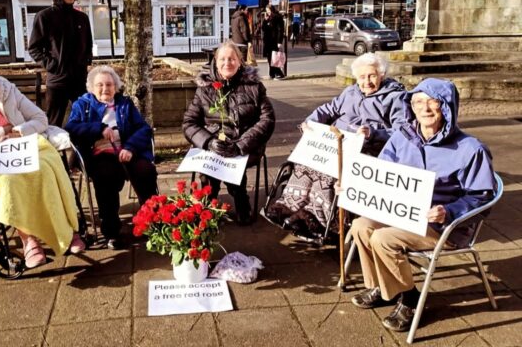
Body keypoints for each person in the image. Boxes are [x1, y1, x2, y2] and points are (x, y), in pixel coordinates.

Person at [348, 78, 496, 332]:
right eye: (418, 102)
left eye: (433, 102)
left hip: (443, 226)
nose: (425, 109)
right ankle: (385, 289)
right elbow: (381, 175)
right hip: (402, 213)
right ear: (411, 106)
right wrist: (354, 187)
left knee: (383, 238)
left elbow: (482, 197)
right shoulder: (400, 139)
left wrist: (447, 212)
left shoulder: (471, 149)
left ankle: (412, 299)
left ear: (447, 106)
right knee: (361, 225)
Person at [0, 56, 85, 269]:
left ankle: (67, 232)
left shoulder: (7, 90)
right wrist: (1, 131)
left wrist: (19, 131)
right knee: (10, 183)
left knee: (48, 172)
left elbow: (40, 119)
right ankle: (29, 240)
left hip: (26, 148)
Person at [265, 53, 406, 238]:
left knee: (329, 170)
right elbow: (328, 109)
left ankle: (319, 219)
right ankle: (290, 207)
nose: (367, 82)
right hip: (337, 142)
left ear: (382, 74)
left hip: (368, 149)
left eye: (372, 75)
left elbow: (402, 131)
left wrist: (373, 133)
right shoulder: (351, 92)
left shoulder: (395, 97)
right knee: (305, 162)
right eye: (362, 77)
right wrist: (310, 122)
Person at [65, 66, 158, 250]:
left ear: (116, 87)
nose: (105, 88)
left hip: (127, 150)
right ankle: (112, 231)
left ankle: (152, 222)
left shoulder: (125, 104)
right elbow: (72, 128)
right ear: (91, 88)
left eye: (109, 84)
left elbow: (144, 129)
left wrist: (130, 147)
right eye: (99, 85)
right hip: (100, 153)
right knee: (106, 177)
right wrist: (98, 128)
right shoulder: (82, 105)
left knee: (145, 170)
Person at [183, 41, 275, 225]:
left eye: (232, 59)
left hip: (245, 144)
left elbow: (267, 120)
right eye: (223, 59)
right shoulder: (204, 89)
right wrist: (209, 142)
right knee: (210, 169)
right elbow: (189, 123)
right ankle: (209, 206)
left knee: (231, 160)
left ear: (240, 62)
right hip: (213, 144)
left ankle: (240, 199)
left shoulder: (254, 87)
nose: (228, 63)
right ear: (215, 62)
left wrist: (240, 145)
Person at [29, 0, 93, 127]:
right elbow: (34, 48)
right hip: (58, 81)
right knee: (53, 123)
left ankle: (81, 150)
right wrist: (53, 66)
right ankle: (54, 151)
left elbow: (88, 44)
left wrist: (85, 62)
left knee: (86, 119)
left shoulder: (82, 18)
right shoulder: (44, 17)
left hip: (80, 79)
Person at [261, 4, 285, 79]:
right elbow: (263, 28)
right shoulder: (268, 18)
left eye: (268, 10)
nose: (267, 12)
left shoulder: (277, 17)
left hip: (274, 41)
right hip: (268, 41)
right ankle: (272, 74)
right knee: (269, 58)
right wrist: (265, 20)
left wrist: (279, 42)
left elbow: (280, 30)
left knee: (274, 57)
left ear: (272, 10)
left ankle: (279, 73)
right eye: (267, 10)